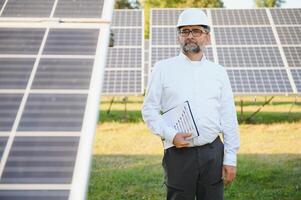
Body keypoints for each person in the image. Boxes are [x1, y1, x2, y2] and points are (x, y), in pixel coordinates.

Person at [141, 8, 240, 200]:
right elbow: (149, 110)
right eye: (184, 31)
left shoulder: (218, 72)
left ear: (207, 37)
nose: (190, 36)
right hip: (179, 153)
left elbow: (228, 116)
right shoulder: (163, 68)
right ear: (179, 37)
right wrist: (171, 135)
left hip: (213, 151)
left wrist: (230, 158)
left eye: (196, 31)